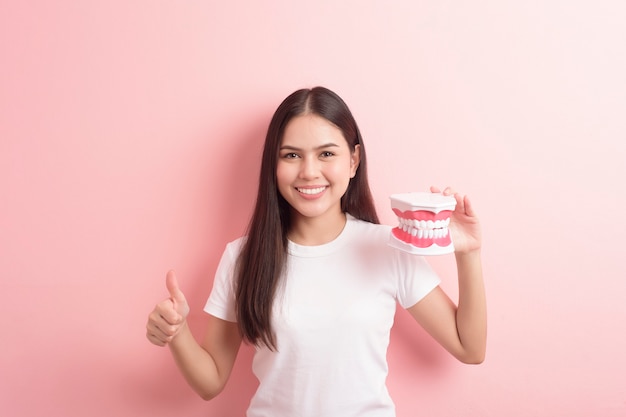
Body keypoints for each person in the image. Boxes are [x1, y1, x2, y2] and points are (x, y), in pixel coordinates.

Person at [146, 86, 487, 417]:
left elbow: (469, 348)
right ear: (274, 165)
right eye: (291, 155)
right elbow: (211, 381)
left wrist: (467, 253)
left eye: (326, 154)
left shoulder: (388, 247)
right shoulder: (243, 257)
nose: (309, 171)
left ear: (353, 160)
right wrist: (178, 334)